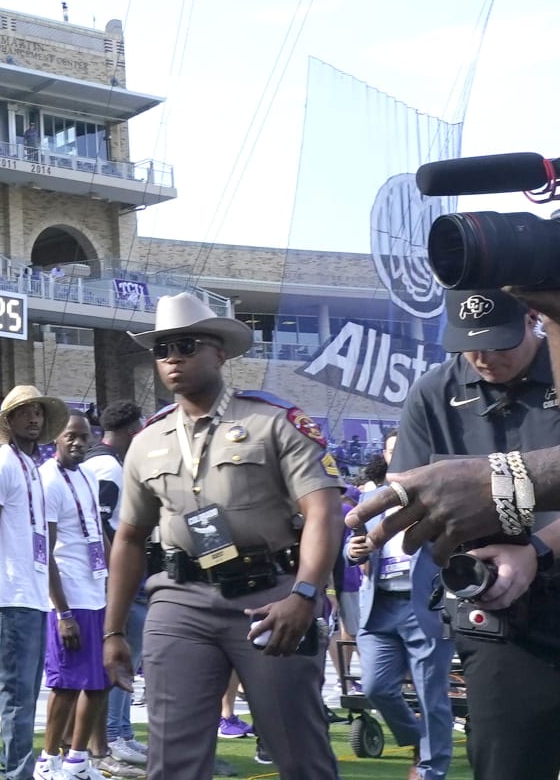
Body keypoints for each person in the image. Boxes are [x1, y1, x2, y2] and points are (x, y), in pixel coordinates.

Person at [105, 293, 342, 780]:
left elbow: (323, 510)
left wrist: (305, 593)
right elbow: (128, 538)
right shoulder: (146, 441)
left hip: (270, 595)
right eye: (162, 348)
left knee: (297, 751)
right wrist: (111, 630)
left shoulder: (273, 421)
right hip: (179, 601)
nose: (172, 358)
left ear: (220, 353)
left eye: (186, 345)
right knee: (173, 761)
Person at [366, 288, 560, 780]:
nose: (482, 356)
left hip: (543, 560)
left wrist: (538, 548)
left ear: (533, 316)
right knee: (506, 760)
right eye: (469, 343)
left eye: (498, 342)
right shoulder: (434, 393)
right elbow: (414, 500)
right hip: (503, 612)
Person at [0, 385, 69, 780]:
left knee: (27, 695)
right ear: (7, 421)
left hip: (32, 597)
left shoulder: (33, 468)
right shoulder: (1, 466)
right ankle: (16, 774)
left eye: (39, 413)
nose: (33, 419)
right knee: (17, 697)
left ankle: (18, 771)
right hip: (10, 597)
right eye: (24, 412)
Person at [348, 447, 452, 780]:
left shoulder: (441, 492)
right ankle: (417, 740)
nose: (401, 456)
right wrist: (353, 550)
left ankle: (429, 771)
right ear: (386, 455)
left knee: (430, 694)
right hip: (379, 605)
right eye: (394, 451)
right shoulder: (374, 497)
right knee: (375, 687)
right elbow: (353, 546)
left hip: (427, 602)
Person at [37, 414, 111, 780]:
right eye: (71, 436)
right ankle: (48, 761)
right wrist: (62, 611)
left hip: (96, 590)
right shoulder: (47, 480)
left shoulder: (89, 476)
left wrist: (114, 578)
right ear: (57, 439)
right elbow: (45, 551)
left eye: (85, 436)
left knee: (99, 681)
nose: (79, 442)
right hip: (69, 595)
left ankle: (77, 761)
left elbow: (98, 530)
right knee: (65, 684)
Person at [82, 401, 146, 773]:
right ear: (130, 431)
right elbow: (100, 525)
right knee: (122, 657)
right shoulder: (106, 466)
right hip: (116, 579)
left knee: (127, 658)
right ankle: (114, 734)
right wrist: (115, 573)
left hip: (114, 577)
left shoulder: (106, 463)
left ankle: (119, 730)